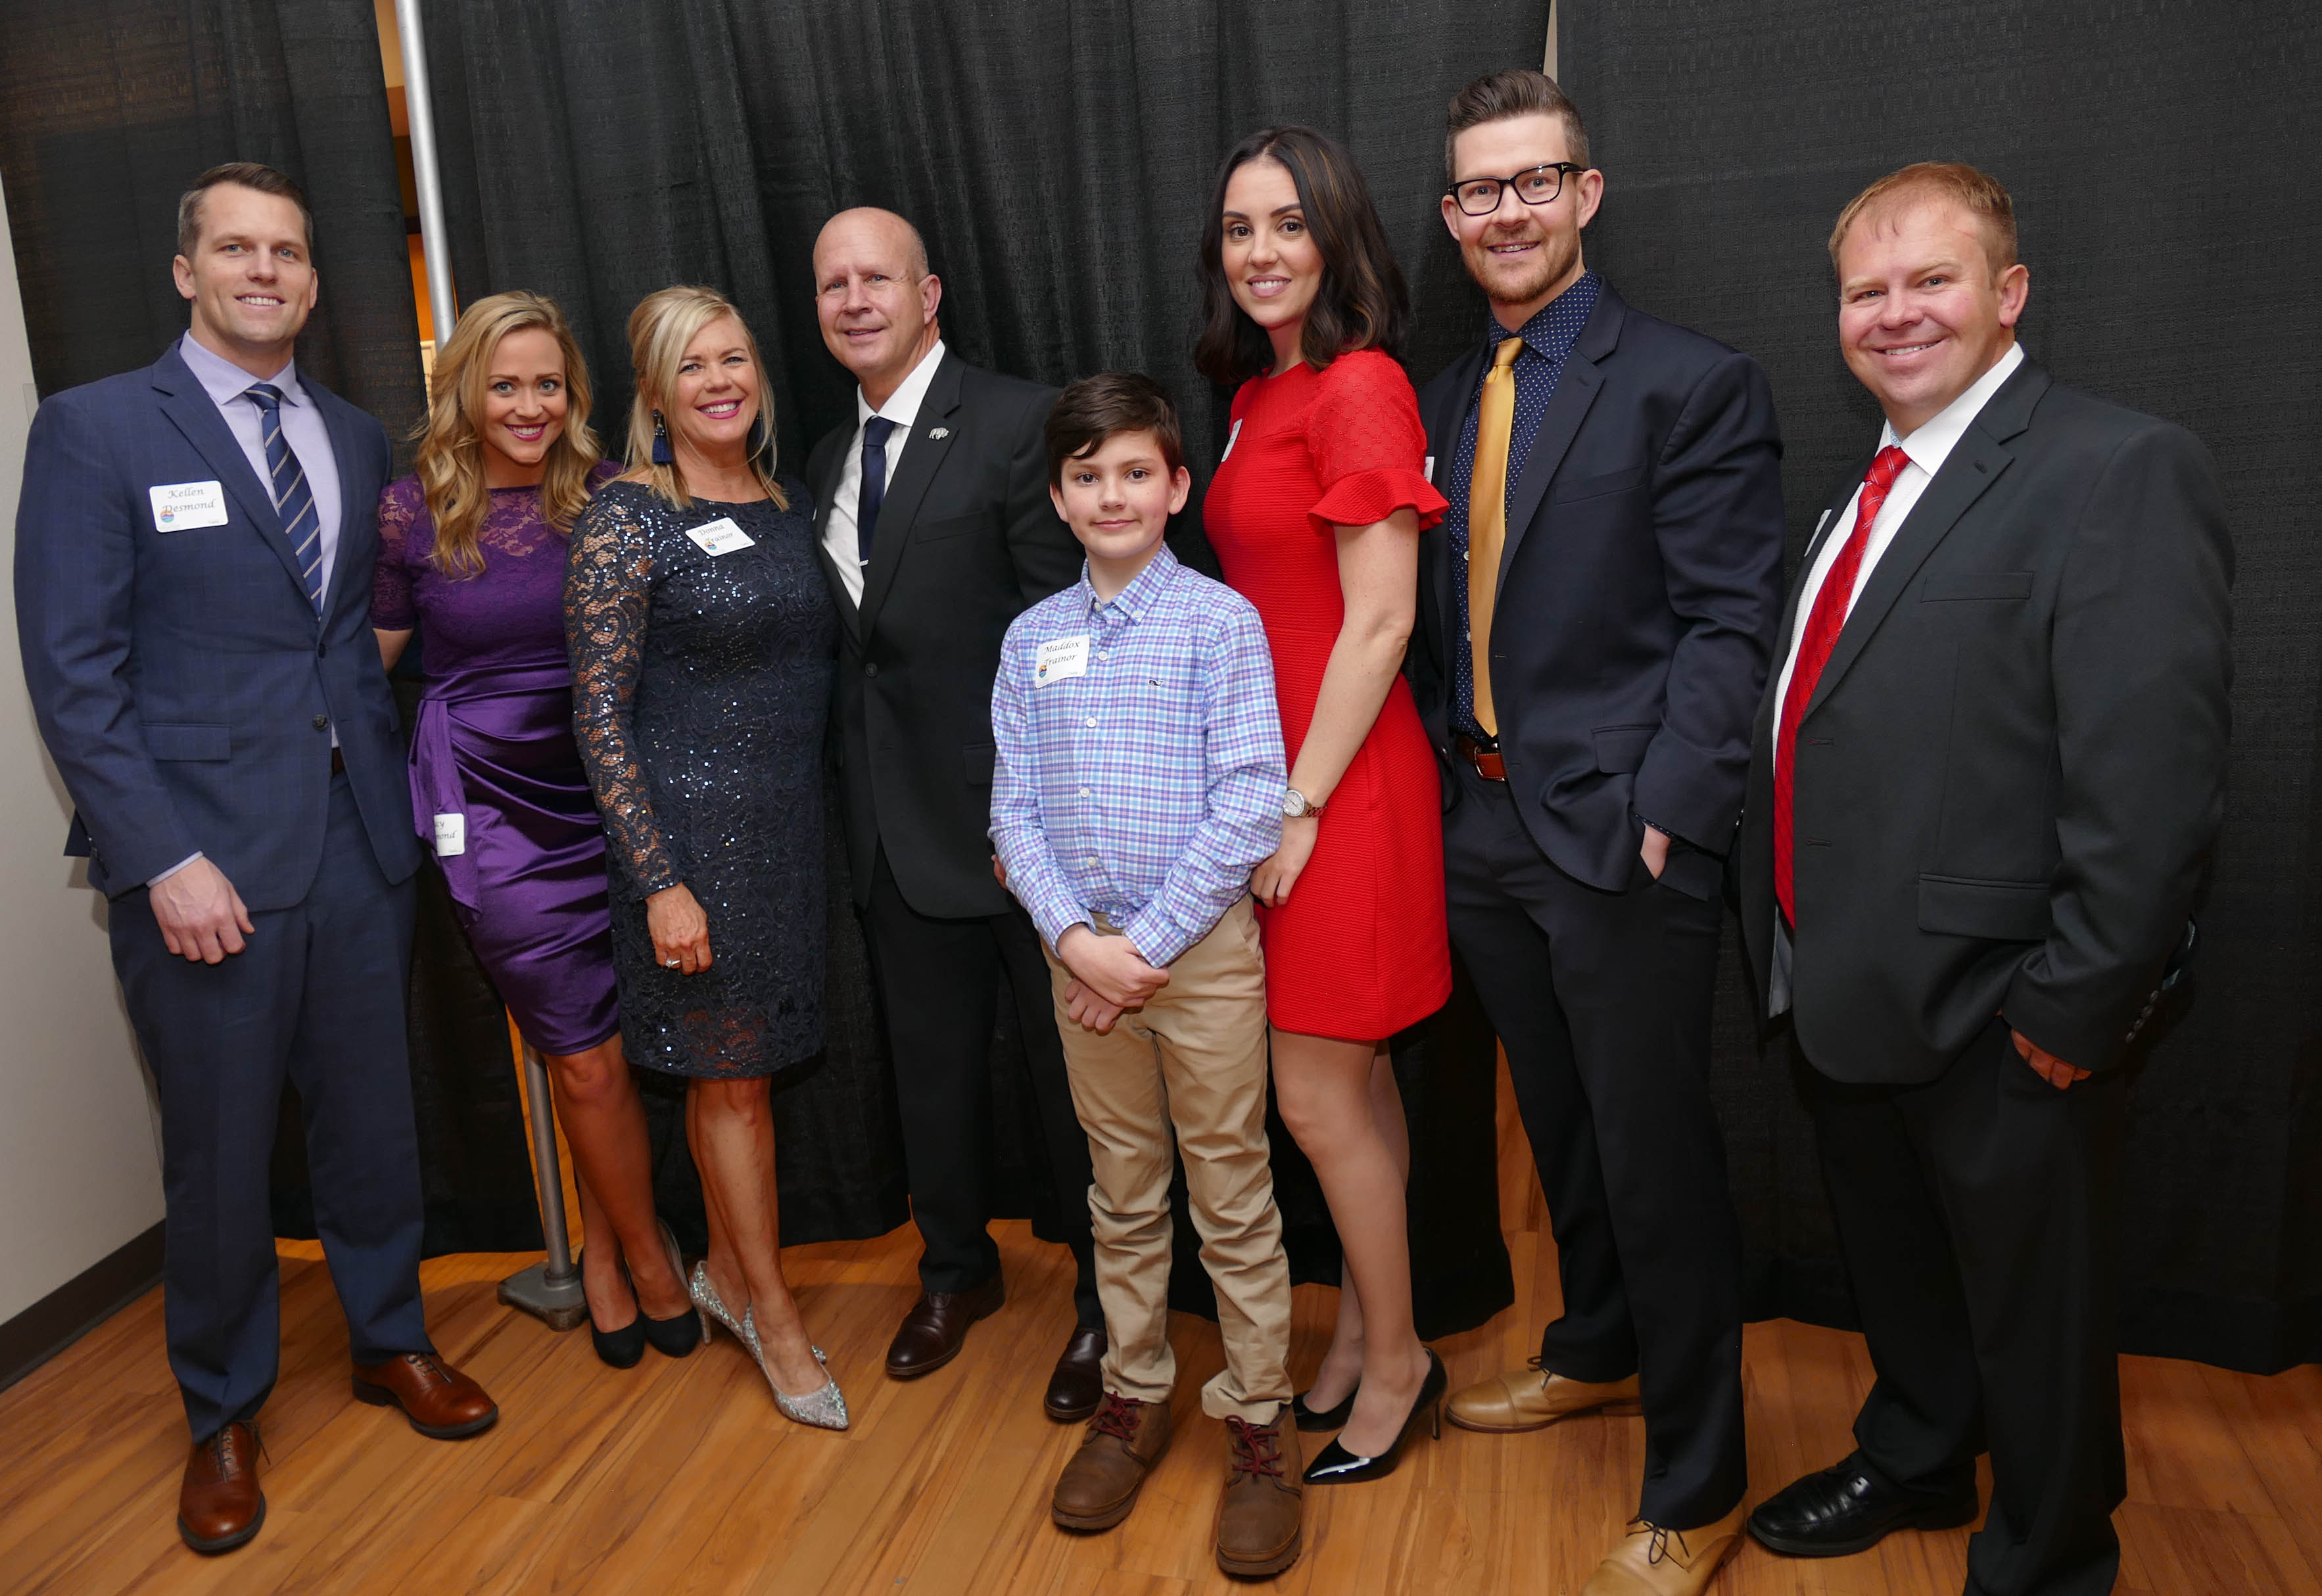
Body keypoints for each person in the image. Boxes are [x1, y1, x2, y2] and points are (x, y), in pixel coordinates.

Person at [1737, 163, 2233, 1596]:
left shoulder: (2111, 467)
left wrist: (2067, 1013)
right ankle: (1913, 1454)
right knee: (1902, 1275)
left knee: (2035, 1313)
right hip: (1843, 983)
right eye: (1864, 290)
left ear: (2006, 294)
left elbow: (2149, 788)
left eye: (1929, 281)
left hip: (2003, 1011)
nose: (1894, 315)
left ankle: (2047, 1549)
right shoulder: (1868, 489)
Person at [12, 162, 498, 1556]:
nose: (265, 270)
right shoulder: (96, 431)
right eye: (237, 248)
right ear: (186, 271)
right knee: (221, 1154)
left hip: (355, 847)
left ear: (311, 277)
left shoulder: (349, 436)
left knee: (373, 1122)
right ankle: (220, 1409)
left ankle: (388, 1337)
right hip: (202, 869)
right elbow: (74, 675)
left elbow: (342, 643)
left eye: (287, 250)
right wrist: (159, 854)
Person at [1414, 71, 1786, 1596]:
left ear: (1585, 193)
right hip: (1483, 823)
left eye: (1530, 183)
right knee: (1560, 1131)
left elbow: (1724, 623)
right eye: (1474, 192)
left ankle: (1696, 1478)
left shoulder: (1689, 381)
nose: (1503, 212)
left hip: (1617, 842)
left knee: (1651, 1160)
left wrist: (1666, 819)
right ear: (1449, 217)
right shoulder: (1443, 389)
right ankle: (1595, 1344)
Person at [991, 373, 1303, 1577]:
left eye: (1135, 472)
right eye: (1087, 476)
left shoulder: (1220, 624)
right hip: (1085, 962)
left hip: (1199, 955)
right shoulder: (1031, 641)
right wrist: (1079, 944)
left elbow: (1245, 806)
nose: (1111, 494)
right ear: (1061, 498)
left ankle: (1261, 1418)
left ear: (1179, 486)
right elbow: (1013, 810)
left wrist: (1141, 954)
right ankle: (1136, 1393)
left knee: (1230, 1191)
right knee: (1121, 1193)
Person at [806, 206, 1105, 1419]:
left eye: (878, 277)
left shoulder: (1019, 420)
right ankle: (954, 1272)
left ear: (930, 296)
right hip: (893, 831)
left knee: (1072, 1084)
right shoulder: (824, 453)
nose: (856, 299)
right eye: (833, 284)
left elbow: (1072, 633)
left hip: (1021, 834)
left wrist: (1055, 824)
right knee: (929, 1078)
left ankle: (1106, 1300)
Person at [1196, 125, 1453, 1486]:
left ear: (1335, 233)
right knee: (1352, 1081)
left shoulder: (1356, 384)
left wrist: (1295, 802)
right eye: (1238, 228)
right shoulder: (1257, 394)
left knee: (1310, 1090)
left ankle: (1397, 1359)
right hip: (1287, 780)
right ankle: (1364, 1324)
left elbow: (1381, 620)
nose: (1260, 251)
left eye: (1287, 223)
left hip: (1338, 785)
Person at [371, 291, 694, 1369]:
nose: (526, 404)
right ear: (463, 388)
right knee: (584, 1056)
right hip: (492, 806)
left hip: (615, 791)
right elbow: (363, 671)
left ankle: (603, 1251)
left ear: (574, 392)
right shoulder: (410, 513)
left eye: (546, 384)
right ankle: (650, 1255)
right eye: (503, 384)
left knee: (611, 1049)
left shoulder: (614, 495)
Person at [564, 285, 845, 1430]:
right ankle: (769, 1313)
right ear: (655, 392)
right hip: (687, 845)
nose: (720, 381)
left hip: (784, 842)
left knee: (739, 1077)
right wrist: (661, 880)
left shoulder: (782, 503)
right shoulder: (628, 516)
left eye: (735, 358)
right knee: (732, 1086)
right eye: (693, 367)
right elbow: (599, 714)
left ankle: (729, 1274)